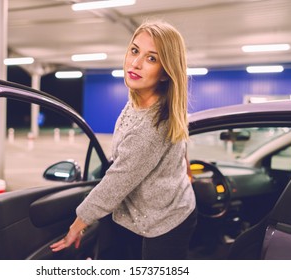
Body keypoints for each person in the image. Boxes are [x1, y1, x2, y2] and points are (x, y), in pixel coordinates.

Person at [50, 19, 197, 260]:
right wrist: (185, 173)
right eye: (135, 50)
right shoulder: (143, 100)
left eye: (152, 58)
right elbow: (180, 144)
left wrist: (78, 224)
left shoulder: (150, 128)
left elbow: (116, 182)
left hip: (162, 224)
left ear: (165, 72)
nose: (136, 63)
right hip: (165, 205)